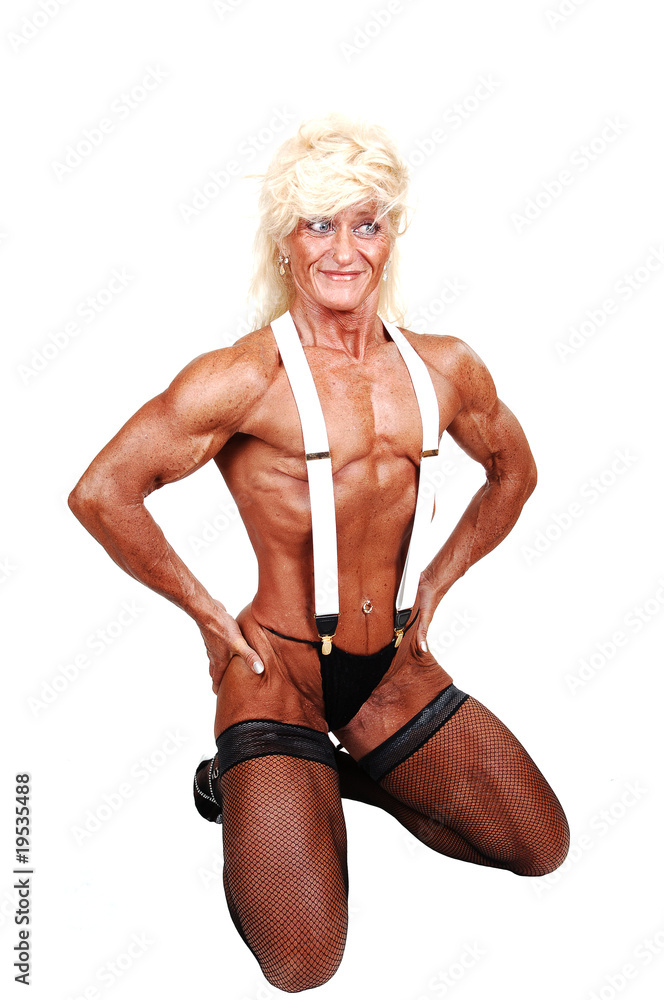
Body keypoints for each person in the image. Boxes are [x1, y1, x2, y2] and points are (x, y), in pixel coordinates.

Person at [69, 114, 569, 994]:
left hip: (392, 667)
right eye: (319, 225)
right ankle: (248, 775)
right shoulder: (244, 377)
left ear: (391, 235)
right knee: (304, 962)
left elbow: (514, 472)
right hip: (279, 673)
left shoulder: (445, 369)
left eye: (365, 224)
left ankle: (340, 774)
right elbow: (103, 491)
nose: (344, 250)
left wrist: (438, 580)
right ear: (286, 240)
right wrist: (207, 614)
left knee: (539, 845)